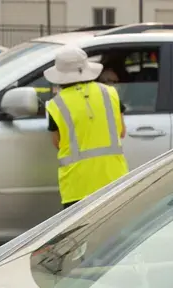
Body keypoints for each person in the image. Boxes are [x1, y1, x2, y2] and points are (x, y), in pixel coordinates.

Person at [45, 45, 128, 210]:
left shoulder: (56, 104)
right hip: (114, 178)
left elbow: (57, 143)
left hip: (77, 186)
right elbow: (122, 131)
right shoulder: (110, 93)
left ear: (60, 75)